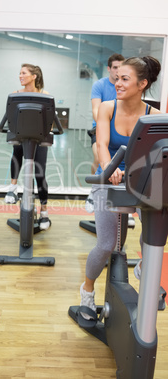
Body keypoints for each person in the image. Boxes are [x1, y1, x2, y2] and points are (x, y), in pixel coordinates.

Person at [80, 56, 161, 319]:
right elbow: (102, 144)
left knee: (155, 241)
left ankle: (144, 270)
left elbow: (157, 155)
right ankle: (87, 290)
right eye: (117, 78)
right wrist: (109, 167)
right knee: (106, 244)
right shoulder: (107, 107)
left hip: (141, 182)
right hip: (109, 178)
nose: (118, 82)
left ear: (142, 84)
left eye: (125, 79)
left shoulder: (156, 116)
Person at [4, 63, 51, 230]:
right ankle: (13, 188)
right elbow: (10, 120)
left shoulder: (45, 95)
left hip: (39, 140)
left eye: (23, 73)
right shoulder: (15, 95)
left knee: (40, 174)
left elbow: (50, 123)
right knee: (16, 149)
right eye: (19, 73)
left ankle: (44, 212)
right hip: (21, 137)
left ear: (34, 76)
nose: (20, 76)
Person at [86, 54, 126, 215]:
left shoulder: (125, 86)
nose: (117, 71)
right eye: (115, 67)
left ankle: (123, 203)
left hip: (122, 130)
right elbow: (96, 109)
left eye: (120, 68)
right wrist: (105, 120)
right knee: (99, 156)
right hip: (101, 128)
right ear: (109, 68)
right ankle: (94, 190)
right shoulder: (99, 85)